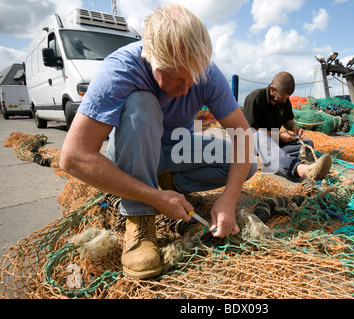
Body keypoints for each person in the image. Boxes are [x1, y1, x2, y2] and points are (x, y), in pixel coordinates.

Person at [60, 3, 256, 279]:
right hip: (132, 152)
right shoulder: (120, 69)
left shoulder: (206, 73)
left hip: (174, 149)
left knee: (246, 166)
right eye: (178, 77)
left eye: (193, 78)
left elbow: (244, 136)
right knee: (142, 103)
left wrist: (229, 199)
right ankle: (139, 217)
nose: (187, 88)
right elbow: (73, 156)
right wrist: (152, 198)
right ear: (150, 56)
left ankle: (166, 184)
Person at [243, 72, 331, 183]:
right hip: (253, 144)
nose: (284, 101)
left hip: (273, 143)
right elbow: (250, 131)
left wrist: (294, 127)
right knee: (259, 136)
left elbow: (287, 120)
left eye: (286, 98)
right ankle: (301, 170)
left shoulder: (283, 100)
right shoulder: (254, 98)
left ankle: (275, 159)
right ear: (272, 89)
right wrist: (279, 136)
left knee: (307, 143)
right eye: (282, 98)